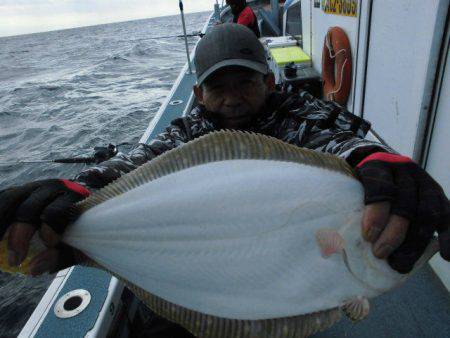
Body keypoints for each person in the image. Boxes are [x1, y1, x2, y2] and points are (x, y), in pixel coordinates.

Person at [0, 23, 449, 334]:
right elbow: (136, 165)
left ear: (269, 83)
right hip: (197, 283)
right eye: (219, 86)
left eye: (246, 83)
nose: (233, 97)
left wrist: (372, 157)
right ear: (197, 94)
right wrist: (79, 192)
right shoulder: (188, 132)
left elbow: (337, 141)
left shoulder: (299, 116)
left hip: (279, 283)